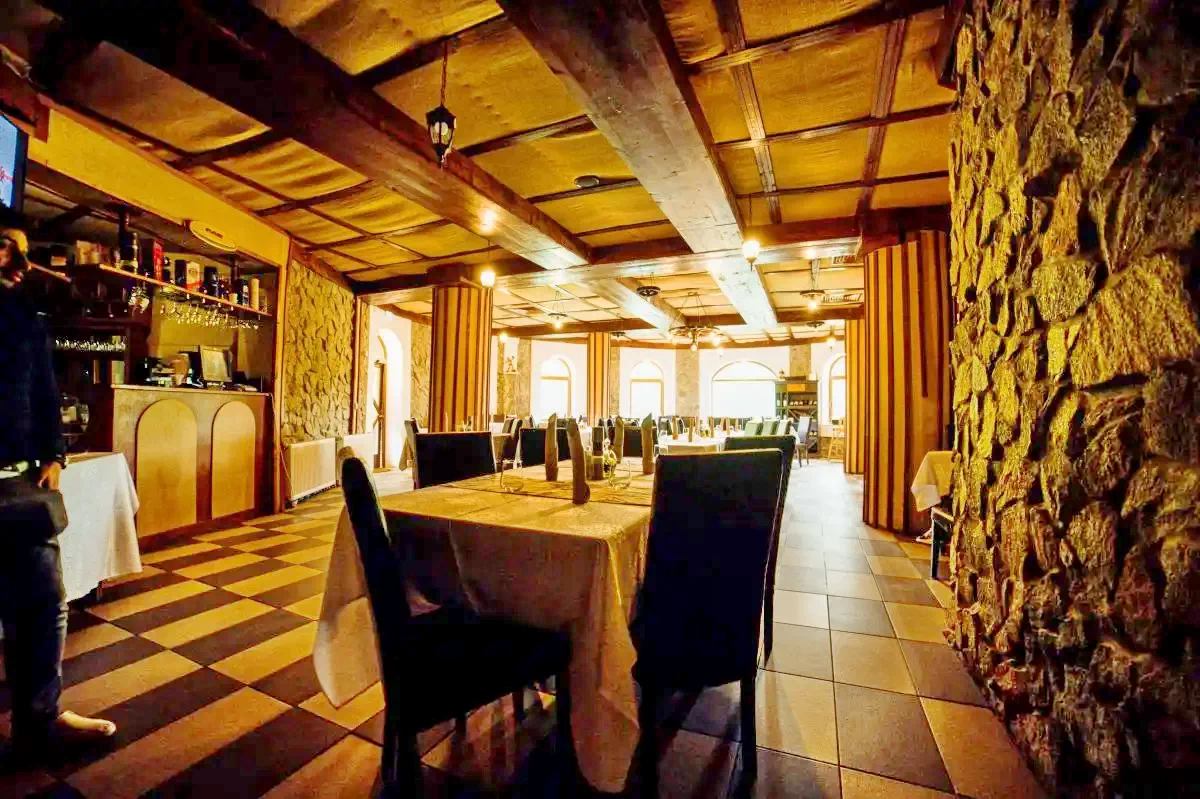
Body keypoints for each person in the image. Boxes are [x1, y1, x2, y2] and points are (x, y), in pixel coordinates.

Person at [0, 228, 116, 762]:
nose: (19, 260)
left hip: (22, 485)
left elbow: (46, 392)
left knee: (44, 605)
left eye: (21, 251)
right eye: (6, 244)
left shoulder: (25, 318)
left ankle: (39, 724)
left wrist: (54, 455)